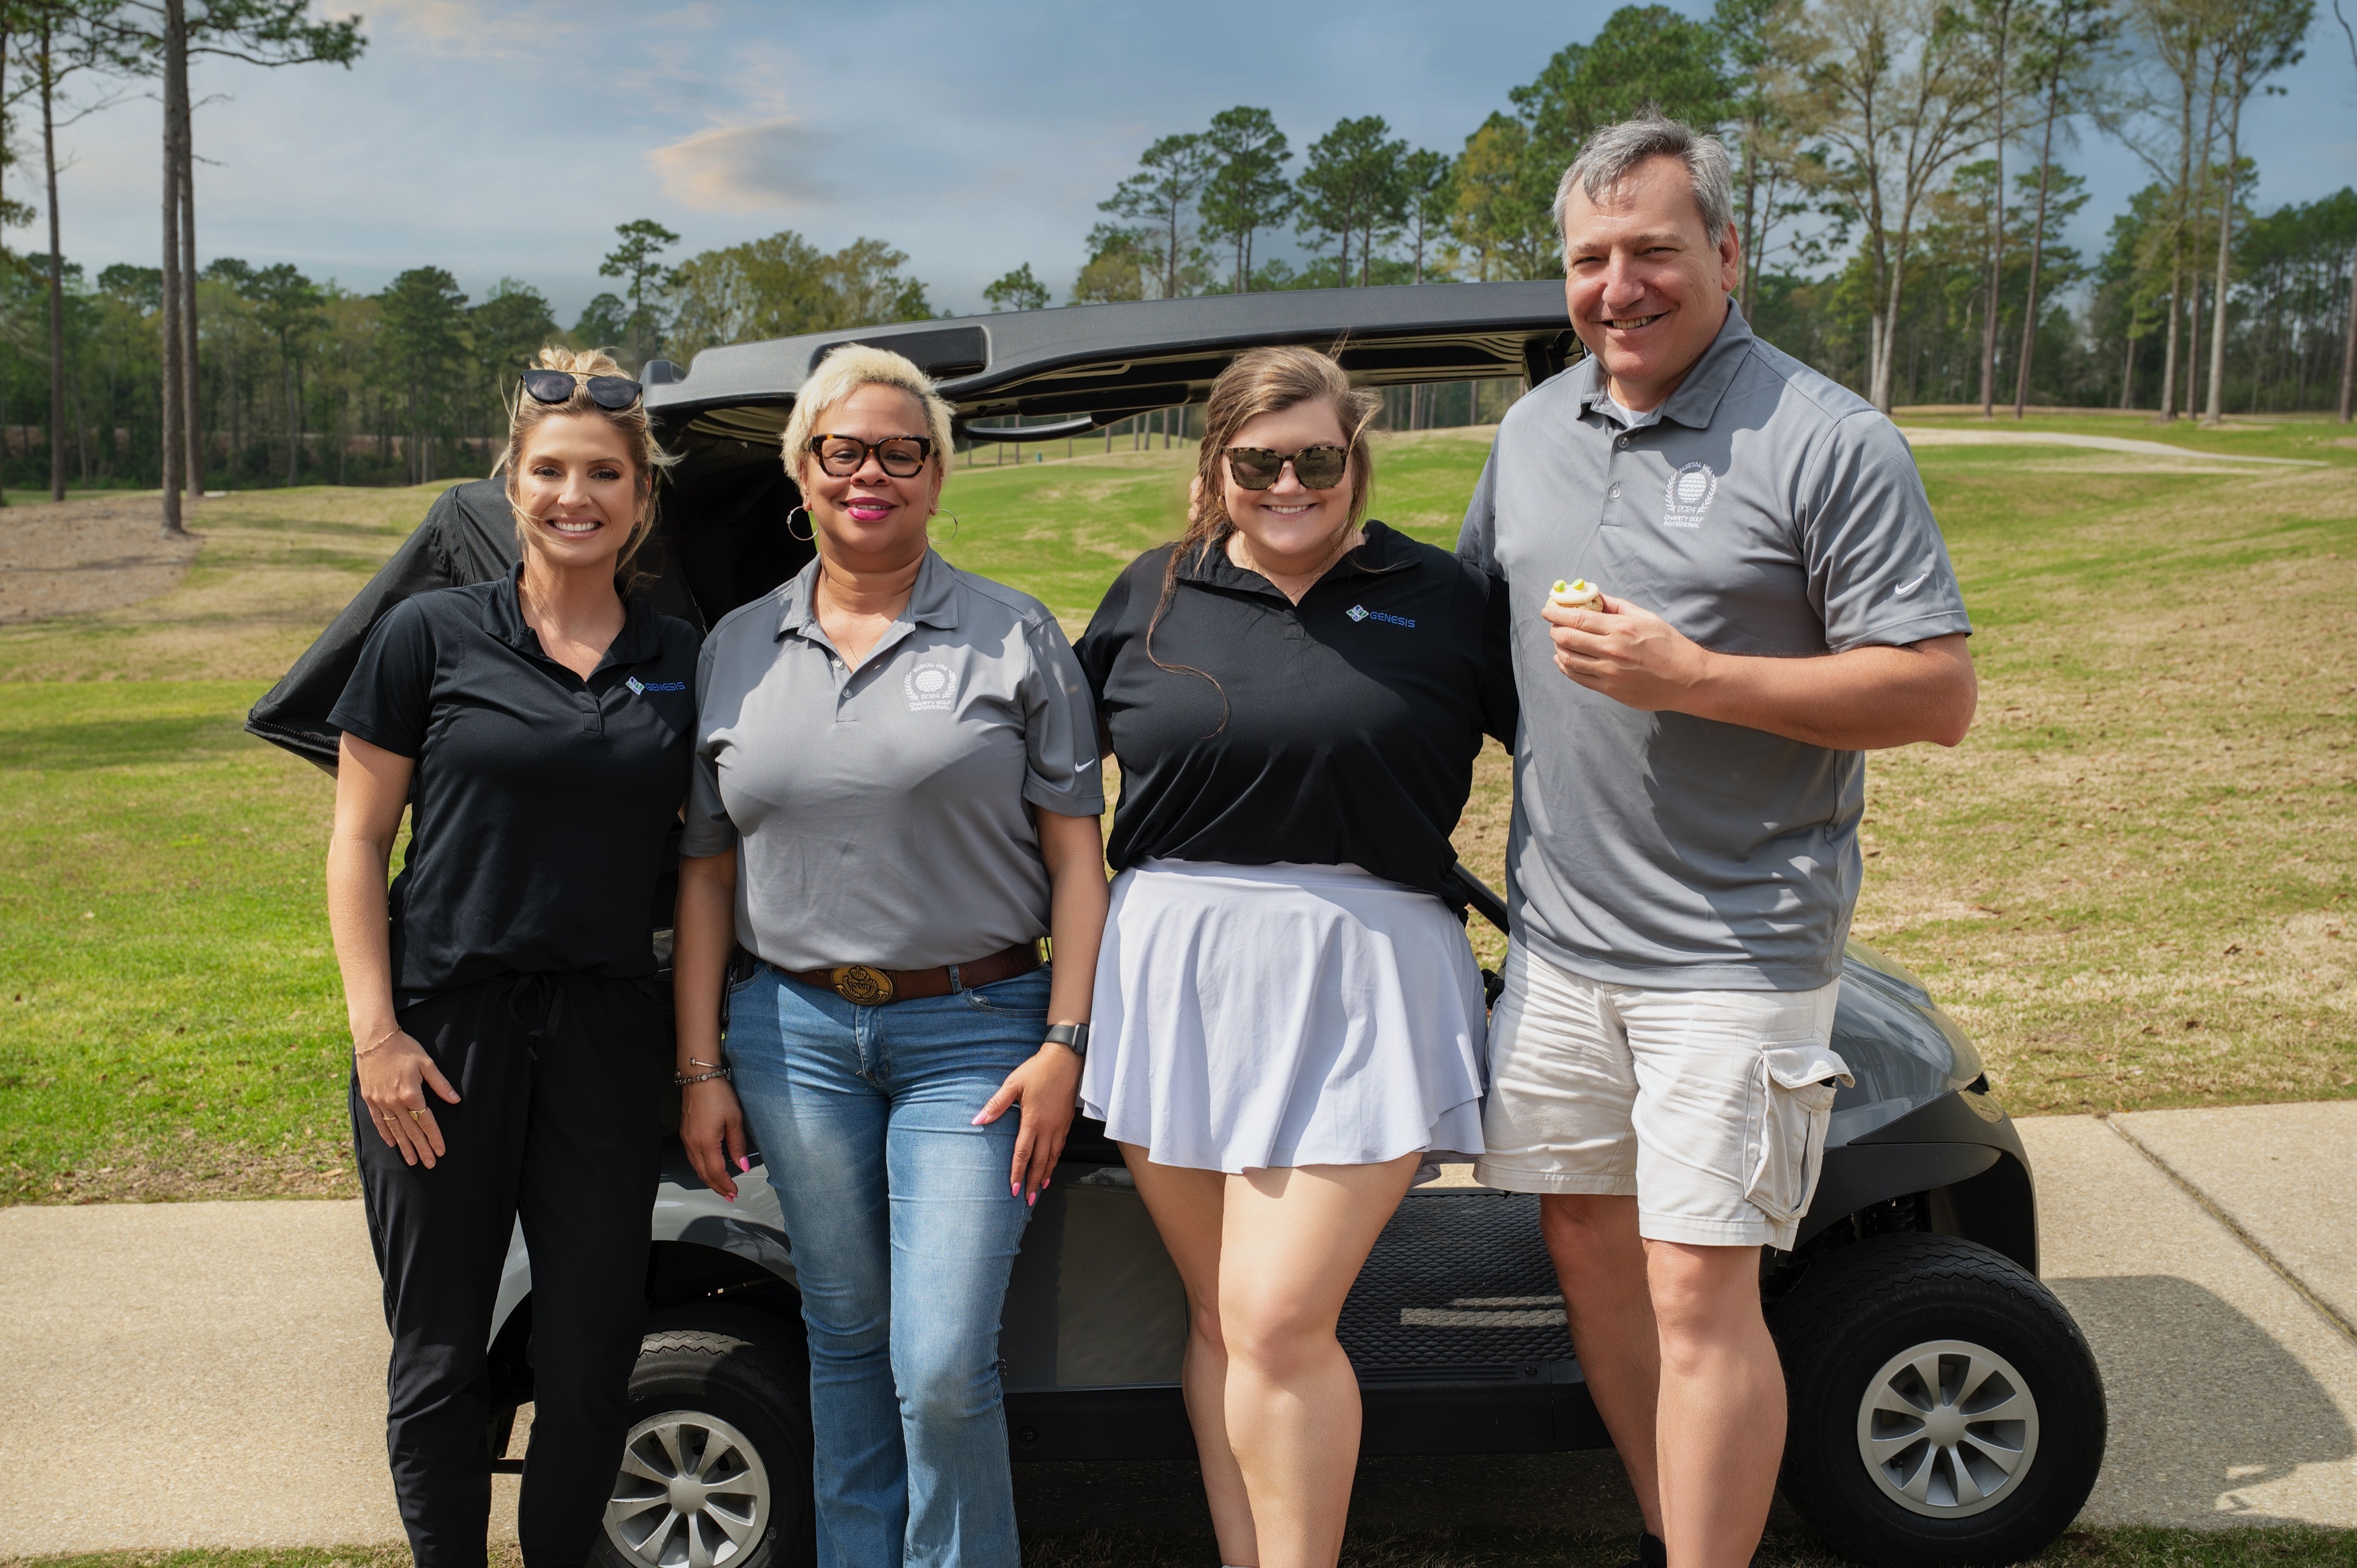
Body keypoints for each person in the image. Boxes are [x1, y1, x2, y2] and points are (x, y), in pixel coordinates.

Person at [1457, 116, 1980, 1568]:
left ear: (1727, 253)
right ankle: (1668, 1528)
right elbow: (1472, 643)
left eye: (1652, 250)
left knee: (1699, 1288)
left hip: (1735, 945)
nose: (1617, 285)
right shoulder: (1532, 429)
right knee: (1586, 1252)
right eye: (1589, 258)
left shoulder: (1825, 437)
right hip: (1559, 942)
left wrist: (1693, 677)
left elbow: (1933, 693)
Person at [1075, 345, 1518, 1568]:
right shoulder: (1154, 591)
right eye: (1259, 462)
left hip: (1364, 977)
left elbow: (1577, 755)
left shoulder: (1439, 594)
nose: (1288, 485)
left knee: (1275, 1319)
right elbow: (1040, 783)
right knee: (1222, 1316)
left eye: (1317, 459)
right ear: (1216, 467)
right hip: (1174, 980)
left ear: (1355, 459)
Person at [671, 344, 1108, 1568]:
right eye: (842, 450)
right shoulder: (737, 644)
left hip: (978, 1032)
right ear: (801, 470)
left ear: (937, 474)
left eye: (900, 452)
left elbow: (1079, 865)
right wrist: (701, 1063)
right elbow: (706, 871)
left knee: (942, 1359)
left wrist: (1066, 1041)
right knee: (848, 1334)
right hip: (793, 1036)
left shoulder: (1013, 634)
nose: (870, 473)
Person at [324, 347, 699, 1568]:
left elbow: (710, 861)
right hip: (442, 1033)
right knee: (442, 1352)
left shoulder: (681, 656)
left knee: (590, 1355)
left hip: (604, 1034)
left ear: (641, 495)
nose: (573, 495)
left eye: (603, 473)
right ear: (511, 481)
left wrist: (697, 1061)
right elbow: (357, 840)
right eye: (549, 470)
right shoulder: (428, 635)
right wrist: (377, 1035)